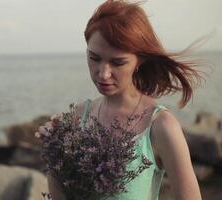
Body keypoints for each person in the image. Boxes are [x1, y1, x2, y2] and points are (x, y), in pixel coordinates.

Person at [37, 0, 204, 199]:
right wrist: (54, 147)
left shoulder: (161, 126)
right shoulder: (78, 117)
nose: (103, 74)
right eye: (94, 58)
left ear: (140, 60)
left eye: (118, 62)